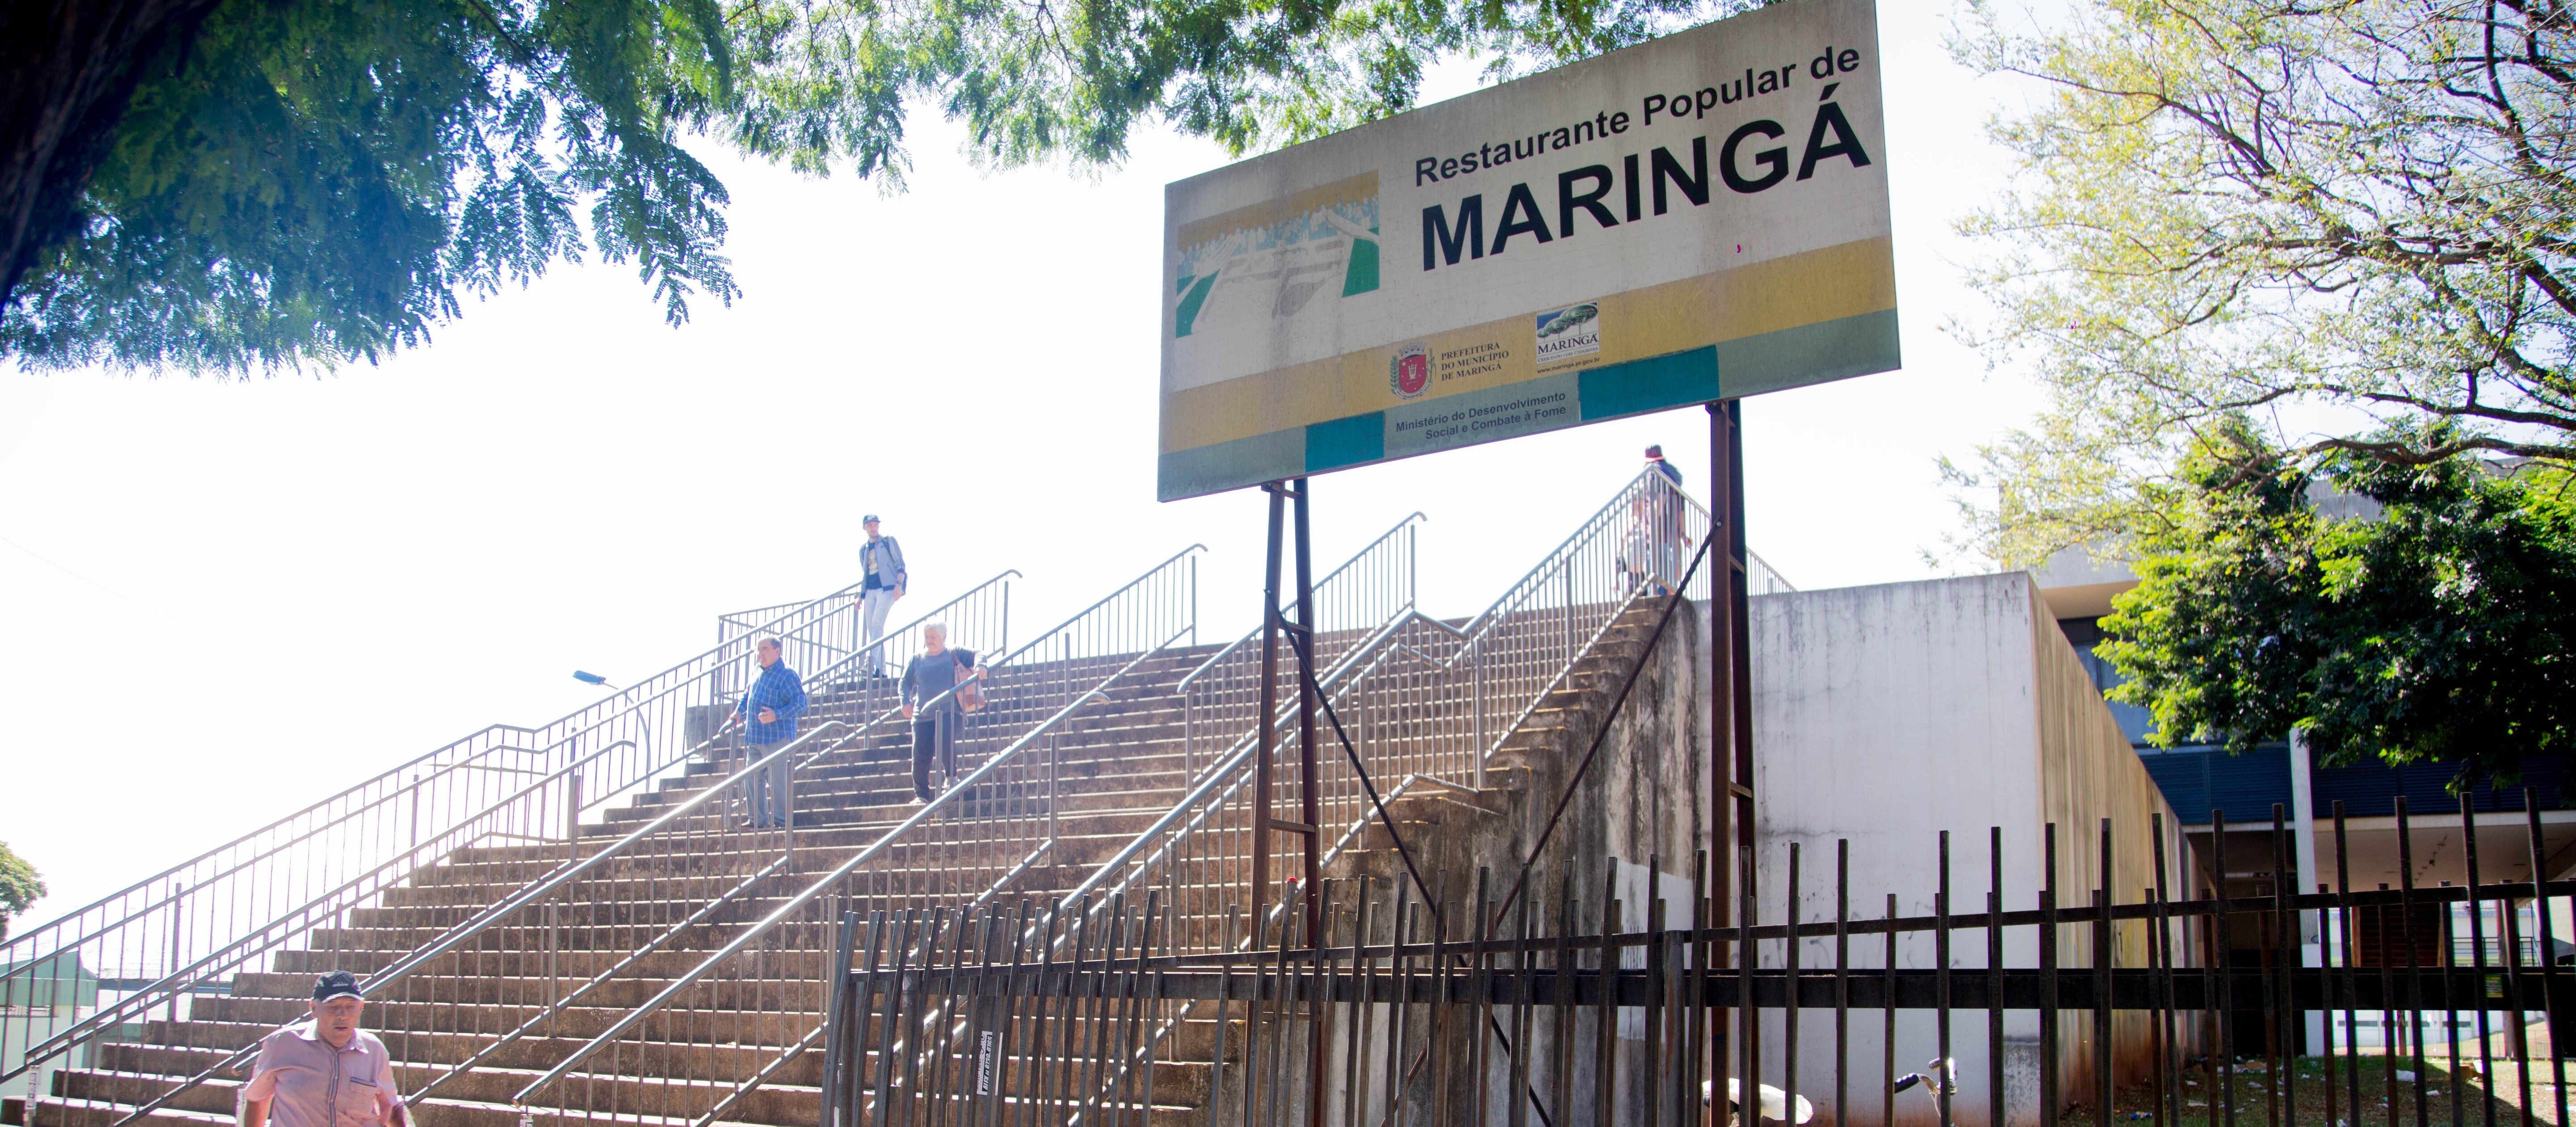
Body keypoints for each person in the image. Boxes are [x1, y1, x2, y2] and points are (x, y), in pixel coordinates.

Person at [237, 971, 409, 1127]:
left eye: (350, 1006)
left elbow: (392, 1108)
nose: (342, 1015)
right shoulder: (282, 1043)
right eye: (333, 1006)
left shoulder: (374, 1050)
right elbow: (258, 1098)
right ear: (313, 1008)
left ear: (361, 1007)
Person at [899, 623, 982, 804]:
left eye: (934, 637)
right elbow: (905, 681)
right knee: (921, 753)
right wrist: (905, 702)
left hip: (951, 710)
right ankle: (921, 795)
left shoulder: (954, 653)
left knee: (945, 738)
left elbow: (977, 654)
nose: (929, 641)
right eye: (927, 637)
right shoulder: (918, 659)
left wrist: (980, 666)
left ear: (944, 638)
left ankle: (952, 778)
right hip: (923, 714)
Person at [733, 637, 809, 828]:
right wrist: (739, 712)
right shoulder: (757, 670)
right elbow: (748, 694)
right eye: (759, 650)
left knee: (777, 781)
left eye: (765, 650)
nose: (761, 654)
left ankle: (781, 822)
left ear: (777, 651)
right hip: (755, 736)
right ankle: (757, 820)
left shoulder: (787, 674)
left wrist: (777, 714)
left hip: (777, 736)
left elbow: (801, 703)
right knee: (751, 779)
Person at [856, 515, 907, 677]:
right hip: (871, 591)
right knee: (874, 630)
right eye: (870, 525)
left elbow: (900, 563)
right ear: (865, 528)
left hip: (887, 589)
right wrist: (861, 596)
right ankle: (881, 671)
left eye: (875, 525)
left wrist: (899, 585)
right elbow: (865, 574)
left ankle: (869, 662)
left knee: (877, 623)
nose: (873, 528)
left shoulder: (888, 541)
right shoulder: (863, 549)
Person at [1643, 444, 1690, 593]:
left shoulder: (1654, 473)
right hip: (1673, 535)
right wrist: (1682, 533)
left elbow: (1660, 498)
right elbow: (1681, 509)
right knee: (1670, 577)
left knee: (1657, 577)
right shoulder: (1674, 476)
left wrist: (1652, 528)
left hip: (1659, 535)